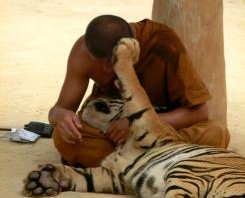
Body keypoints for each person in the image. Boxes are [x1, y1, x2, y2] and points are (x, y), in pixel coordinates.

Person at [48, 15, 230, 167]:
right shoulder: (83, 52)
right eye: (99, 62)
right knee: (63, 140)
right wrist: (62, 117)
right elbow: (57, 111)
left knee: (217, 133)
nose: (105, 70)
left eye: (112, 62)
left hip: (161, 130)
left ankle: (125, 166)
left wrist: (137, 123)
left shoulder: (164, 43)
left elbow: (199, 112)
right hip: (110, 133)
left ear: (132, 47)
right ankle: (157, 164)